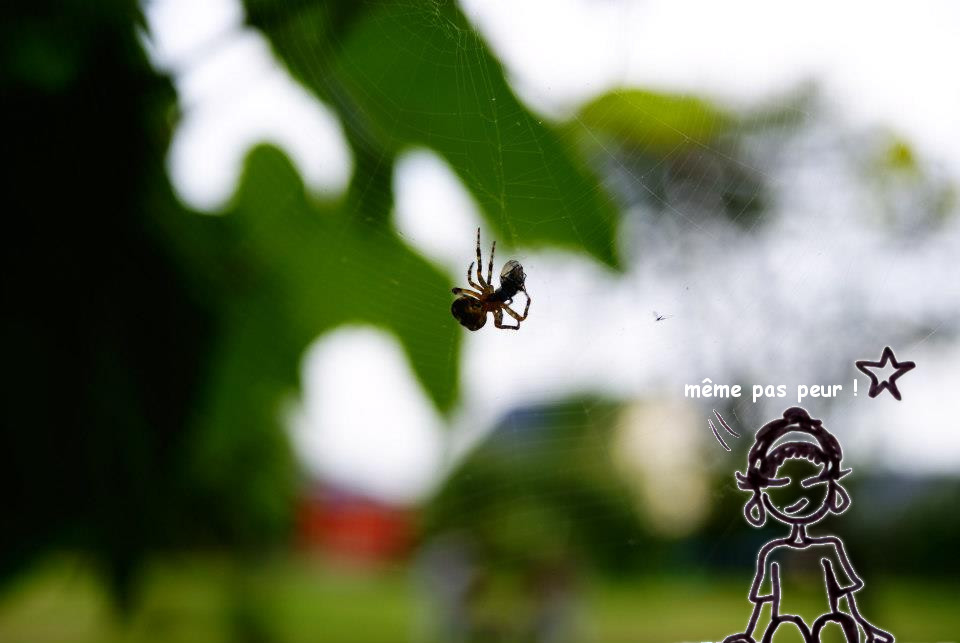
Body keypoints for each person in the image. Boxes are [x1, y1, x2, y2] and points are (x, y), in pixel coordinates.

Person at [723, 407, 894, 643]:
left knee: (831, 623)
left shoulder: (830, 547)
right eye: (781, 484)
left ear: (830, 487)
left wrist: (866, 630)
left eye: (812, 483)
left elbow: (847, 599)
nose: (800, 495)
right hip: (784, 629)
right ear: (762, 493)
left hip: (829, 625)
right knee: (785, 627)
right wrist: (750, 636)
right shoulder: (773, 553)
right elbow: (765, 605)